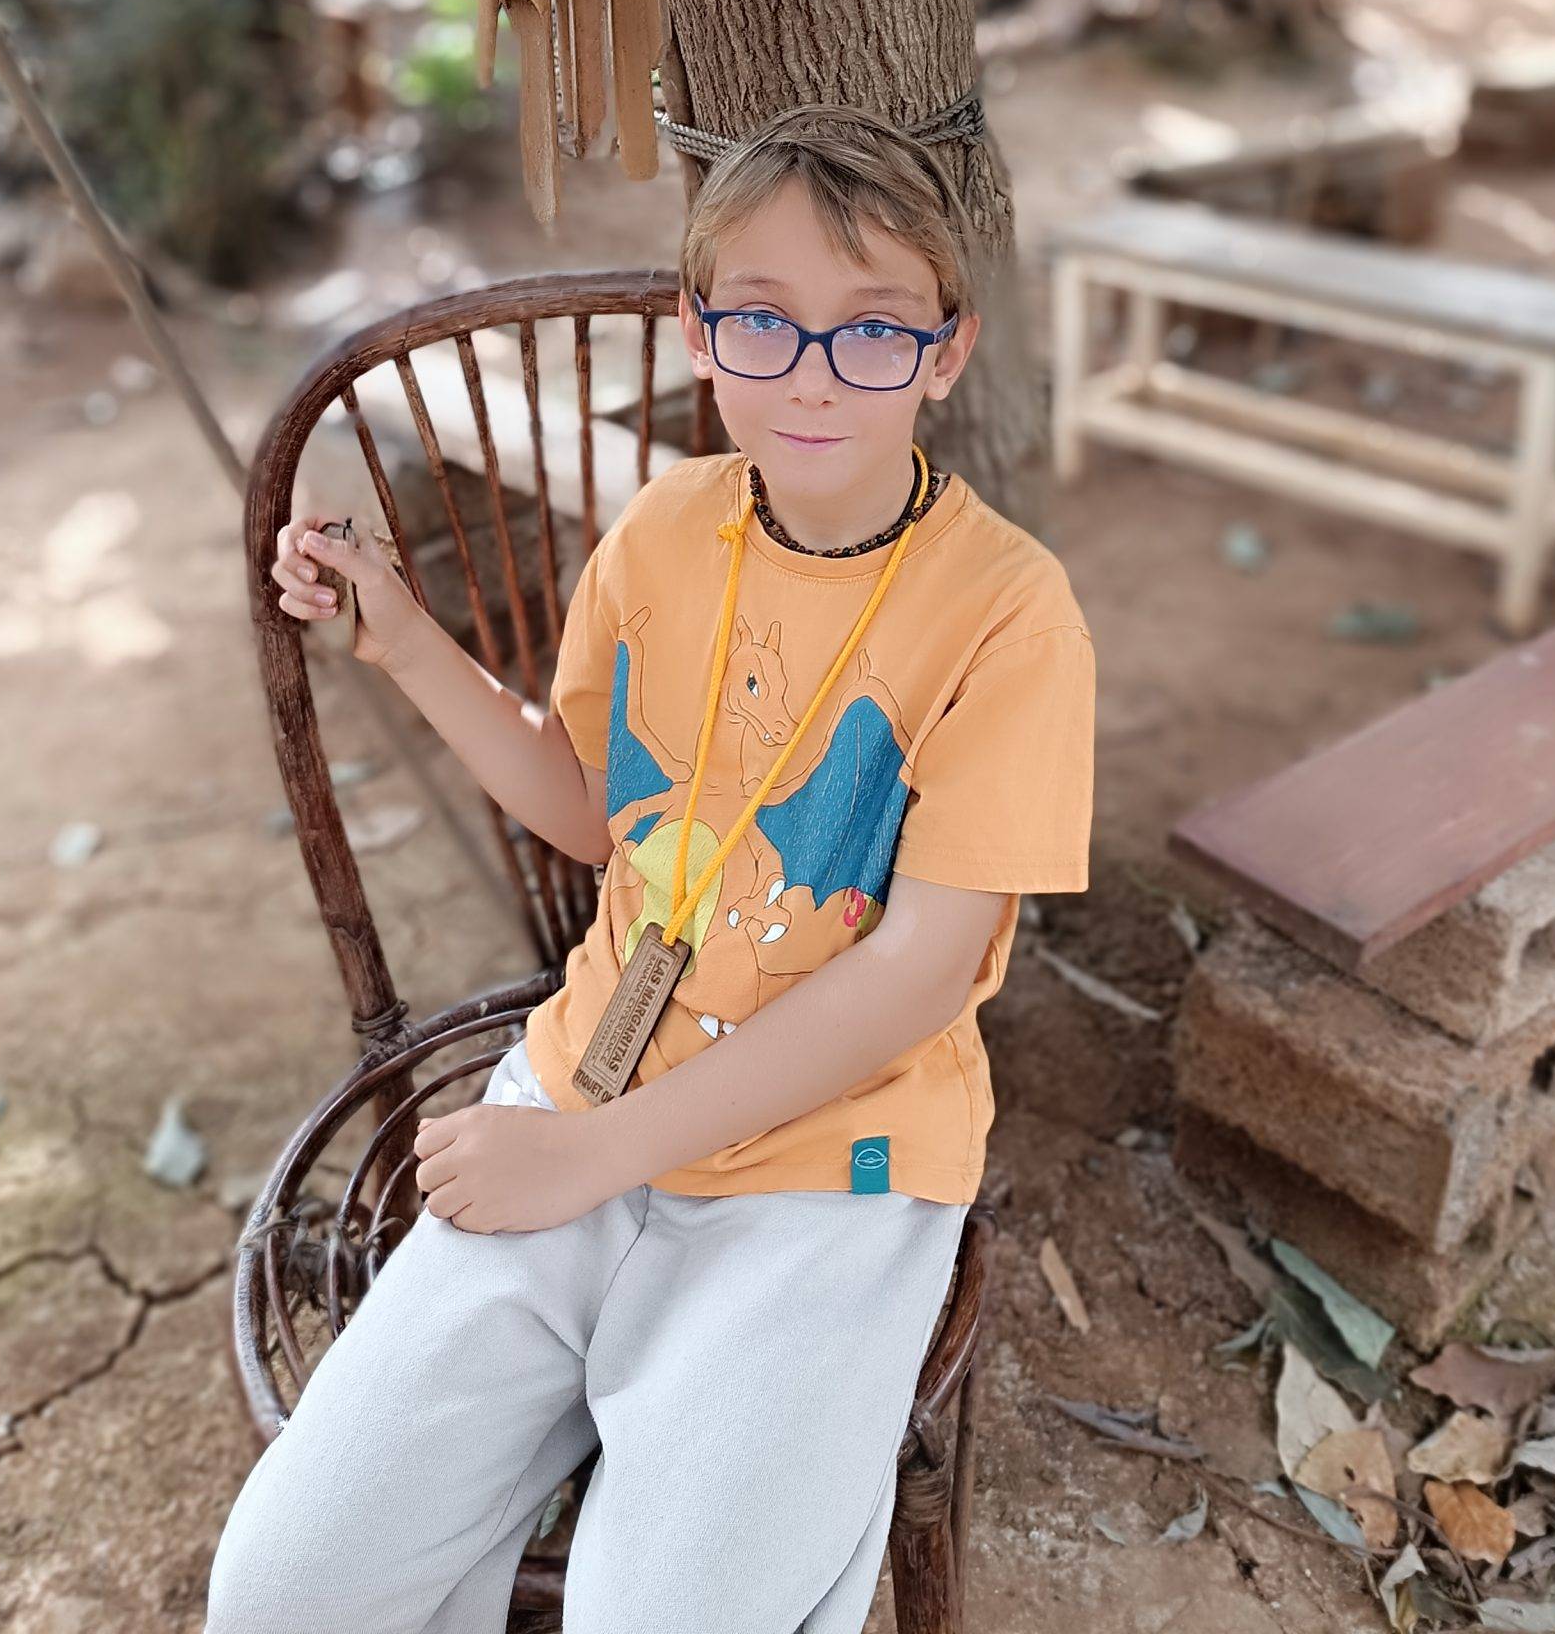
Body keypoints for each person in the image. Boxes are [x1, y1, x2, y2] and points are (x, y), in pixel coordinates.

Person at [204, 102, 1096, 1634]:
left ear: (945, 352)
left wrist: (588, 1161)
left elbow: (915, 977)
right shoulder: (665, 533)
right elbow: (590, 800)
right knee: (284, 1591)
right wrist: (400, 635)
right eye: (763, 320)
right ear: (699, 335)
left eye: (873, 329)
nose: (814, 372)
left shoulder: (1011, 613)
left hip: (837, 1165)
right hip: (583, 1086)